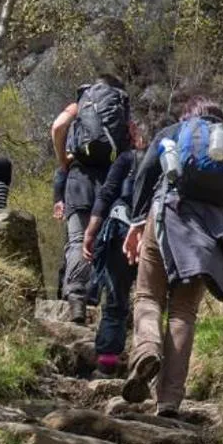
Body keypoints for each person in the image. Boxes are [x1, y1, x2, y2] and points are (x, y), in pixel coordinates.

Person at [122, 89, 223, 416]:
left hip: (168, 216)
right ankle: (168, 401)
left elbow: (147, 171)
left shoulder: (175, 132)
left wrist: (136, 224)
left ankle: (147, 349)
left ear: (189, 116)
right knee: (183, 313)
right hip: (212, 236)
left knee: (148, 295)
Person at [51, 75, 132, 323]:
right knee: (107, 240)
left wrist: (63, 160)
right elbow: (134, 143)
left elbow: (57, 127)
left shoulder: (80, 105)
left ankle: (76, 301)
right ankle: (107, 303)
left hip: (79, 176)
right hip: (112, 178)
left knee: (77, 239)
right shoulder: (121, 109)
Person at [82, 137, 141, 376]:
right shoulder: (171, 157)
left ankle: (107, 362)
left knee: (116, 296)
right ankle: (149, 358)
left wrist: (90, 232)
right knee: (154, 302)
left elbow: (106, 194)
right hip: (159, 234)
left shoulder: (128, 158)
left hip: (121, 231)